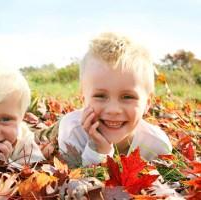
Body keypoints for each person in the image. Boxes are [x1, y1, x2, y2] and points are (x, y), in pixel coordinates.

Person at [58, 32, 172, 166]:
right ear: (83, 97)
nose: (113, 110)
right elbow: (77, 180)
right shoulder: (72, 133)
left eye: (128, 97)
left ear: (147, 102)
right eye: (100, 96)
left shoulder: (157, 146)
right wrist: (98, 149)